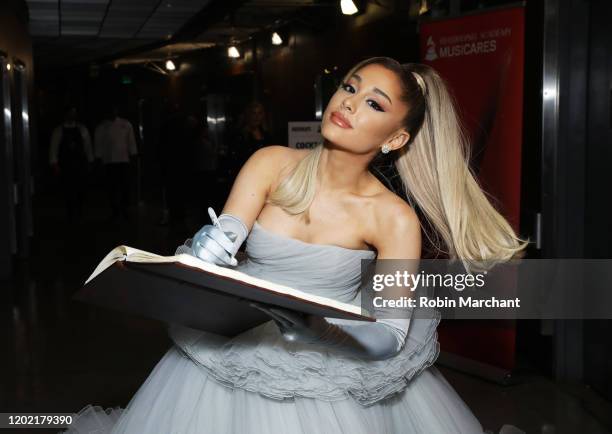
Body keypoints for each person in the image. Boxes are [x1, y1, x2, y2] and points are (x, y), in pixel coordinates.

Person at [62, 57, 527, 433]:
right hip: (234, 352)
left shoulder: (393, 218)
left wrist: (319, 329)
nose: (349, 103)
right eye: (350, 87)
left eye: (374, 104)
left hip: (328, 371)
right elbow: (225, 233)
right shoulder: (272, 162)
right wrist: (206, 254)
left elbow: (391, 337)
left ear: (397, 138)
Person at [94, 105, 138, 223]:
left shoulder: (126, 124)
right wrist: (98, 159)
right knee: (112, 188)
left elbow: (131, 142)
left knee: (125, 186)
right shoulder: (102, 127)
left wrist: (133, 155)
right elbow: (98, 145)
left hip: (124, 160)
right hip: (109, 161)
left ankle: (125, 209)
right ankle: (115, 210)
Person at [49, 106, 94, 222]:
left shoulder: (82, 129)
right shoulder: (58, 130)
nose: (71, 116)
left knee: (81, 189)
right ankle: (70, 213)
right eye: (70, 113)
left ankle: (79, 211)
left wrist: (90, 161)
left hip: (80, 163)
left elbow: (88, 146)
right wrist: (54, 164)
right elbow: (54, 148)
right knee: (68, 190)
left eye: (73, 113)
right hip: (66, 165)